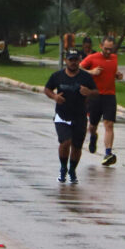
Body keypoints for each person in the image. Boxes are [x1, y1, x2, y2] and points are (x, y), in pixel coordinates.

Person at [44, 50, 98, 184]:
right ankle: (63, 168)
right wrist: (55, 97)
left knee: (77, 146)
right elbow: (47, 89)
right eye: (70, 60)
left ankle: (72, 170)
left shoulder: (85, 77)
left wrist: (89, 92)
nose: (73, 63)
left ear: (79, 61)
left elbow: (96, 92)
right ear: (65, 61)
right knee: (65, 142)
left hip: (80, 116)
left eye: (75, 60)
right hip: (62, 115)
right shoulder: (57, 76)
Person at [80, 36, 124, 166]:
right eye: (106, 49)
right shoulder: (92, 58)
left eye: (111, 49)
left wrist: (118, 75)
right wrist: (91, 71)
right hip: (95, 96)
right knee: (92, 125)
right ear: (101, 46)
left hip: (110, 96)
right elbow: (78, 68)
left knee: (109, 124)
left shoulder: (114, 58)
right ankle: (93, 136)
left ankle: (108, 153)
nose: (108, 52)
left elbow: (113, 72)